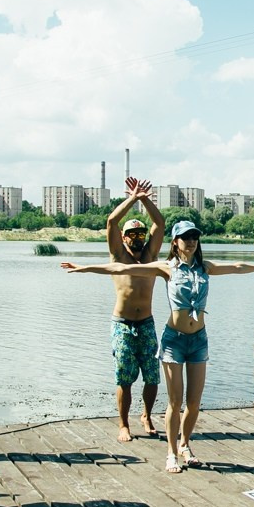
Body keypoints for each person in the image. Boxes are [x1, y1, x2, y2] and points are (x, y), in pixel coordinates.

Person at [63, 220, 254, 473]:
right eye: (185, 238)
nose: (191, 241)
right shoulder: (167, 268)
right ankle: (171, 453)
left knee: (194, 403)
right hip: (174, 340)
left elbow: (236, 266)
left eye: (194, 237)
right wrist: (84, 268)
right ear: (175, 242)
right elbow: (119, 268)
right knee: (175, 402)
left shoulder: (205, 267)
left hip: (199, 340)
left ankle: (185, 445)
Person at [104, 177, 166, 441]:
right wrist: (131, 199)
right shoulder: (119, 256)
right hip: (123, 324)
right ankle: (123, 424)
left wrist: (145, 200)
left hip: (147, 324)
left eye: (141, 234)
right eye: (132, 234)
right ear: (123, 237)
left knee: (152, 376)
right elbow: (111, 222)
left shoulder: (150, 256)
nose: (137, 238)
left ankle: (147, 415)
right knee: (125, 378)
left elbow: (160, 224)